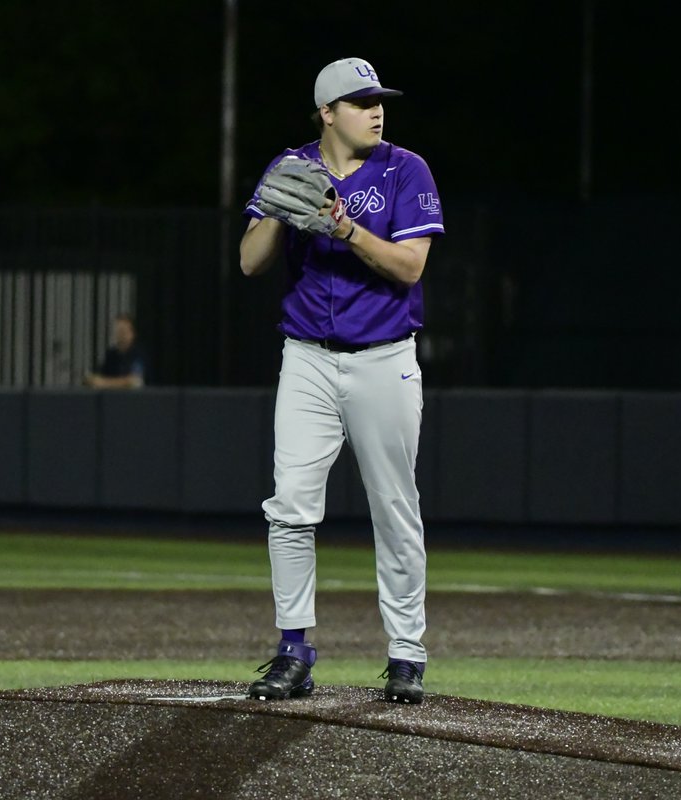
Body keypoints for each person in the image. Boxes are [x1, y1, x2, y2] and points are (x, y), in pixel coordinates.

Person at [238, 57, 444, 704]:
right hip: (306, 357)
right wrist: (278, 207)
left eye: (379, 99)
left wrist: (345, 228)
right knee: (290, 506)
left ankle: (406, 655)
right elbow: (249, 262)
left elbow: (410, 267)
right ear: (327, 112)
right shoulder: (290, 165)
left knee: (395, 508)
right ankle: (293, 649)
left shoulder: (406, 169)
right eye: (360, 101)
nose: (376, 109)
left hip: (384, 357)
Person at [83, 313, 146, 389]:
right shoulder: (111, 355)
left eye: (123, 331)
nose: (120, 335)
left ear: (132, 333)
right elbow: (100, 376)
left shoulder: (138, 355)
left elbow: (135, 381)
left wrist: (104, 383)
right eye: (117, 331)